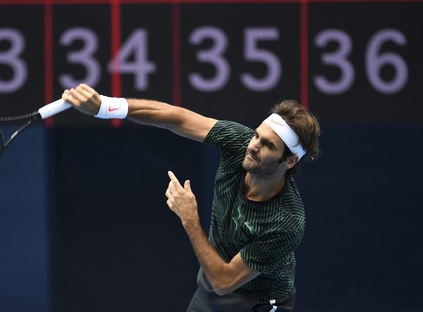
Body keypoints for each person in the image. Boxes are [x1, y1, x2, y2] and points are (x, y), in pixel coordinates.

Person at [62, 84, 321, 312]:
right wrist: (105, 106)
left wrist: (189, 217)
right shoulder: (239, 144)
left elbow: (224, 281)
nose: (253, 145)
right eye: (256, 135)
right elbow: (176, 117)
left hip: (258, 303)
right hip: (211, 288)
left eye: (268, 145)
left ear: (289, 161)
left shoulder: (286, 221)